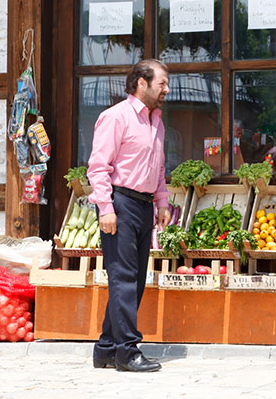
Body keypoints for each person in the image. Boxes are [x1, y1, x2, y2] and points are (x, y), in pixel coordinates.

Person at [87, 59, 171, 373]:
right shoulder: (115, 117)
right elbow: (98, 168)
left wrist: (162, 203)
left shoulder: (157, 122)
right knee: (123, 279)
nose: (166, 89)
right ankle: (127, 352)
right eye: (161, 83)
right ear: (141, 83)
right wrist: (105, 208)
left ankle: (106, 349)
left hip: (144, 205)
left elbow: (159, 168)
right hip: (120, 203)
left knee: (134, 282)